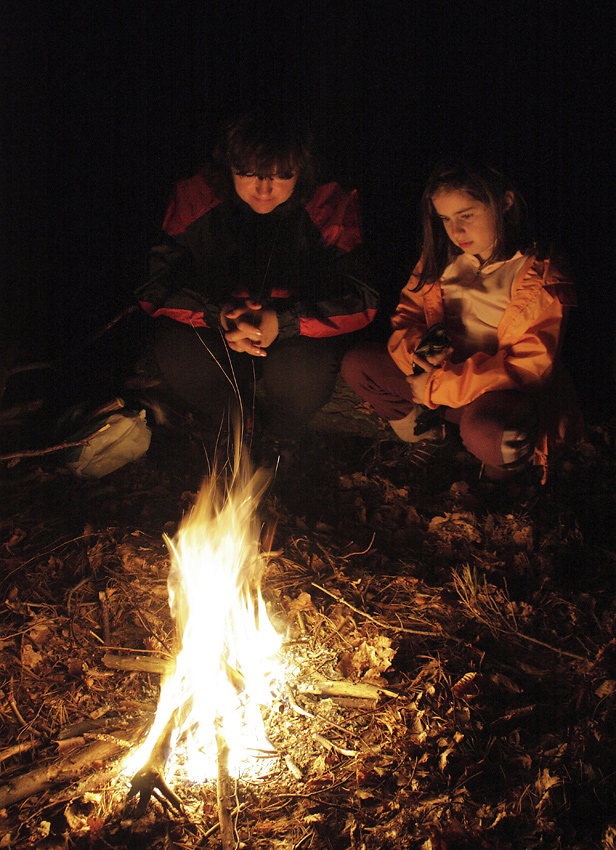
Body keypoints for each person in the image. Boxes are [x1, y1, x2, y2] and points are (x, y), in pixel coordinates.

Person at [135, 111, 378, 468]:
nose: (263, 190)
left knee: (301, 376)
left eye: (281, 176)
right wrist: (218, 314)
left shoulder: (327, 203)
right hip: (217, 324)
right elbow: (154, 286)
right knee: (175, 352)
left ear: (301, 170)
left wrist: (283, 321)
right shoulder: (197, 196)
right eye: (248, 175)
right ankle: (235, 429)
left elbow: (362, 299)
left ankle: (281, 437)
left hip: (296, 334)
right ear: (229, 166)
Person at [341, 161, 583, 485]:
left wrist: (440, 386)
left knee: (489, 433)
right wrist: (422, 354)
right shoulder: (441, 258)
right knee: (359, 364)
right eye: (445, 219)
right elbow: (407, 316)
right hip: (435, 384)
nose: (455, 231)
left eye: (466, 215)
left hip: (494, 395)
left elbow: (530, 365)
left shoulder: (537, 272)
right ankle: (433, 436)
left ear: (505, 203)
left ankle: (500, 481)